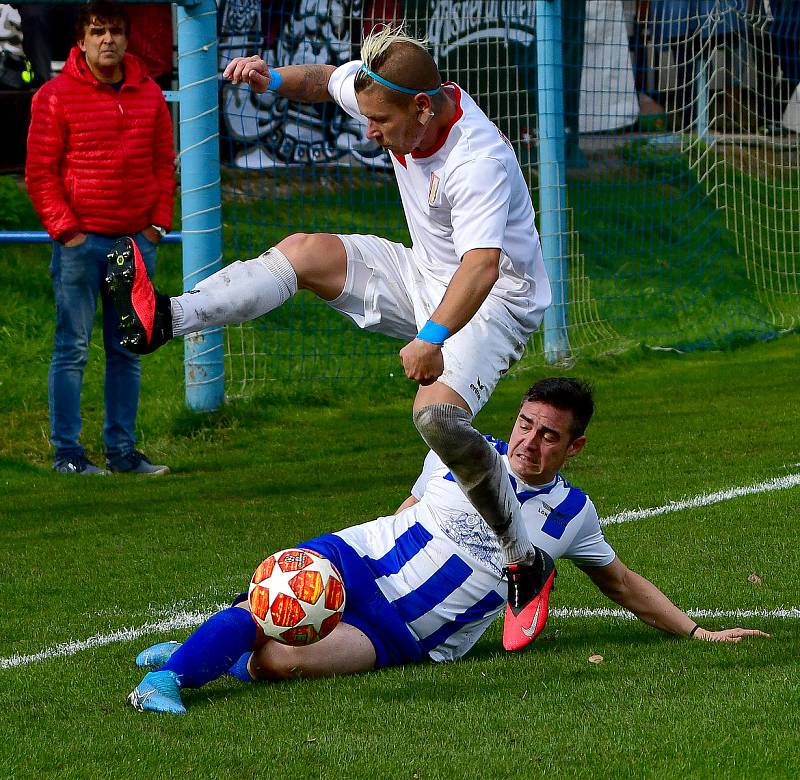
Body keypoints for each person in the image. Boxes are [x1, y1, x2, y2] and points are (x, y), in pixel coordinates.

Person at [106, 24, 554, 647]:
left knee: (435, 419)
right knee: (305, 253)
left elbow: (480, 264)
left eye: (381, 122)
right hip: (425, 273)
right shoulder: (392, 92)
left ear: (423, 108)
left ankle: (523, 558)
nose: (369, 133)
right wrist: (274, 79)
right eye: (367, 116)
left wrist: (429, 337)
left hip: (496, 299)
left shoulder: (478, 159)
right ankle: (167, 320)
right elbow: (324, 81)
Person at [127, 377, 768, 715]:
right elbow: (407, 508)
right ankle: (170, 675)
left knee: (280, 664)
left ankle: (214, 648)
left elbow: (622, 583)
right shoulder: (464, 452)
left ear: (575, 448)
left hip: (407, 634)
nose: (528, 442)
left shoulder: (574, 513)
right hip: (361, 558)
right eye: (524, 424)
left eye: (549, 436)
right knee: (278, 602)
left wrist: (694, 633)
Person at [25, 1, 175, 476]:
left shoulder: (149, 93)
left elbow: (162, 164)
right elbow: (40, 173)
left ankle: (123, 452)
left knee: (128, 348)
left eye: (114, 31)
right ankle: (67, 454)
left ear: (127, 39)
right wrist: (66, 231)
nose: (107, 39)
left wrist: (156, 226)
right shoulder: (53, 95)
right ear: (81, 41)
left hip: (136, 241)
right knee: (72, 348)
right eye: (97, 31)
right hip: (79, 243)